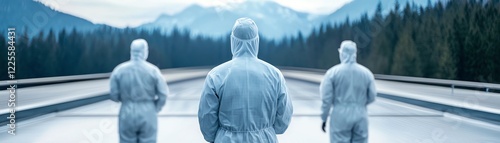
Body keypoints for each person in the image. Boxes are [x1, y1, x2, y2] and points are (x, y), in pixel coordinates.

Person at [198, 17, 293, 143]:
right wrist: (265, 130)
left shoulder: (216, 75)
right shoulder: (274, 75)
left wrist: (219, 136)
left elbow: (207, 120)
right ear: (256, 41)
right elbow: (283, 120)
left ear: (233, 41)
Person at [109, 39, 169, 143]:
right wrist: (156, 107)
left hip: (126, 111)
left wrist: (125, 99)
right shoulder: (153, 71)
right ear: (145, 51)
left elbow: (114, 95)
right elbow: (163, 94)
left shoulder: (119, 70)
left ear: (131, 51)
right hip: (148, 110)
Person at [320, 40, 377, 143]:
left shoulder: (332, 73)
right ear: (355, 54)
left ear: (342, 53)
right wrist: (361, 104)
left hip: (340, 115)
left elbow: (326, 98)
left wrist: (324, 118)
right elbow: (372, 95)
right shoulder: (366, 73)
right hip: (361, 114)